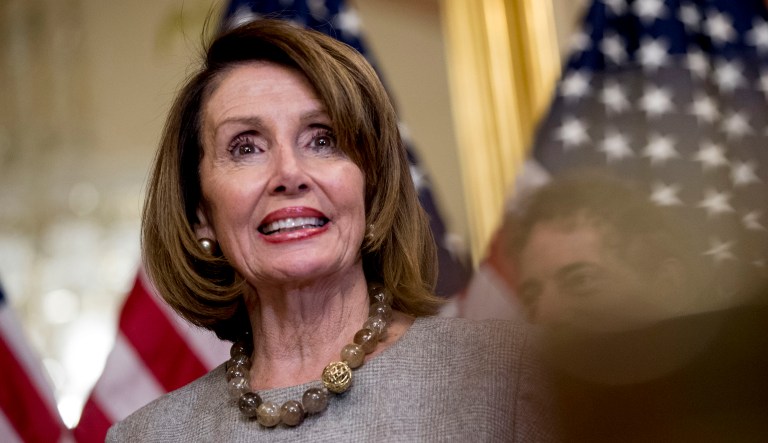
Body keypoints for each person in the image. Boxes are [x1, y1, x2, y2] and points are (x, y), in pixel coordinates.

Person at [106, 19, 554, 442]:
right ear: (201, 212)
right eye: (246, 148)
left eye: (323, 140)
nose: (290, 173)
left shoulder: (513, 375)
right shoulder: (146, 436)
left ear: (370, 188)